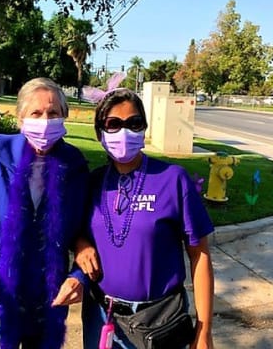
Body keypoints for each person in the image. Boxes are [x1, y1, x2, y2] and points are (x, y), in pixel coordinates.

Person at [0, 77, 89, 349]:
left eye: (53, 113)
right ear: (20, 119)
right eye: (36, 113)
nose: (45, 121)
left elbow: (86, 229)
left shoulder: (74, 165)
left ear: (64, 118)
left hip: (48, 303)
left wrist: (78, 276)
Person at [75, 88, 215, 349]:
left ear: (144, 128)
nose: (124, 132)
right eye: (113, 124)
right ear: (99, 133)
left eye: (134, 123)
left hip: (159, 321)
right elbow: (75, 228)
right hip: (101, 316)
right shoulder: (92, 182)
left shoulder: (173, 179)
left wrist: (204, 329)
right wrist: (81, 244)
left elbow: (200, 255)